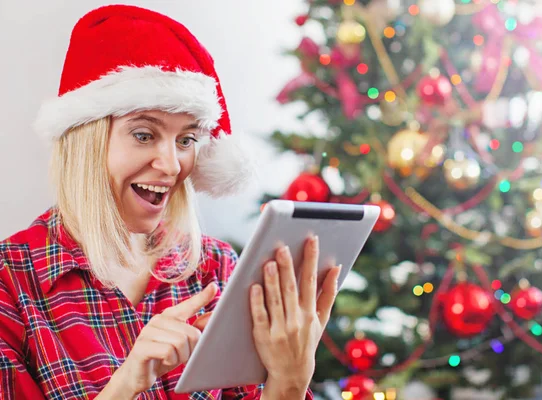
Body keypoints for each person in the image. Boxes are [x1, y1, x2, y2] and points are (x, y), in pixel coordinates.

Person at [0, 4, 341, 399]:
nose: (171, 165)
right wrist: (126, 384)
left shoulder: (217, 269)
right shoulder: (12, 282)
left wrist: (290, 381)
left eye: (186, 140)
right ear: (86, 141)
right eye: (144, 134)